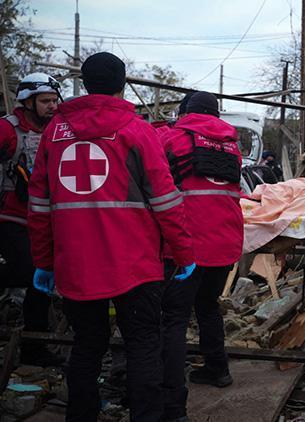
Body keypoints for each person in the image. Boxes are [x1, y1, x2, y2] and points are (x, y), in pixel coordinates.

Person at [27, 52, 195, 421]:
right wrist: (183, 253)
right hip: (135, 266)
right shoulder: (137, 131)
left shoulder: (53, 134)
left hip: (76, 266)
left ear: (84, 84)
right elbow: (167, 201)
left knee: (87, 345)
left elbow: (38, 205)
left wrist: (43, 261)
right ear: (122, 84)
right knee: (143, 345)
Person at [159, 91, 243, 420]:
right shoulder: (231, 144)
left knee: (174, 319)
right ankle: (217, 368)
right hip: (226, 242)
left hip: (186, 245)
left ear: (185, 111)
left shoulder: (172, 137)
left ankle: (172, 402)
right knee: (207, 306)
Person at [0, 72, 64, 366]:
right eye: (45, 101)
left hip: (46, 219)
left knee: (43, 279)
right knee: (28, 271)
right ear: (27, 102)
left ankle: (35, 347)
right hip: (11, 216)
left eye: (54, 100)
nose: (52, 106)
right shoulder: (7, 129)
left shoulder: (58, 130)